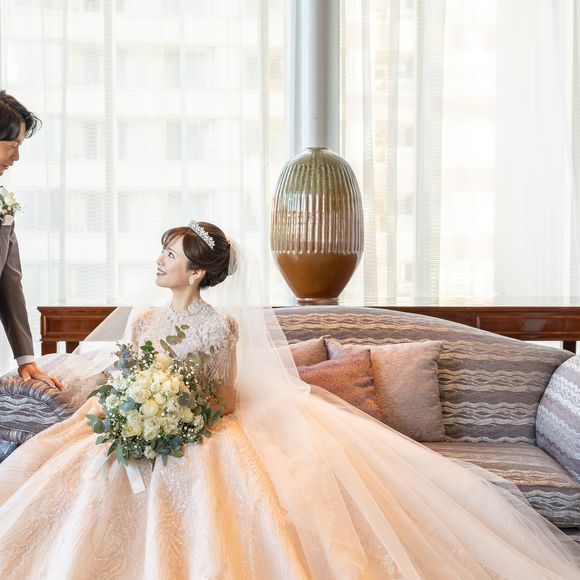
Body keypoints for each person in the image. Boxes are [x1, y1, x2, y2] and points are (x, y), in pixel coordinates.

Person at [0, 220, 578, 579]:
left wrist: (176, 413)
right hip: (139, 417)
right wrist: (135, 403)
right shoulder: (146, 318)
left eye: (171, 255)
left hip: (201, 424)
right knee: (85, 467)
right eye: (163, 252)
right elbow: (126, 372)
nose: (160, 261)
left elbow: (225, 399)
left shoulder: (219, 326)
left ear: (196, 273)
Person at [0, 90, 63, 390]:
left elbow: (9, 282)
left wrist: (26, 359)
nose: (17, 157)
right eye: (12, 146)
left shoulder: (4, 204)